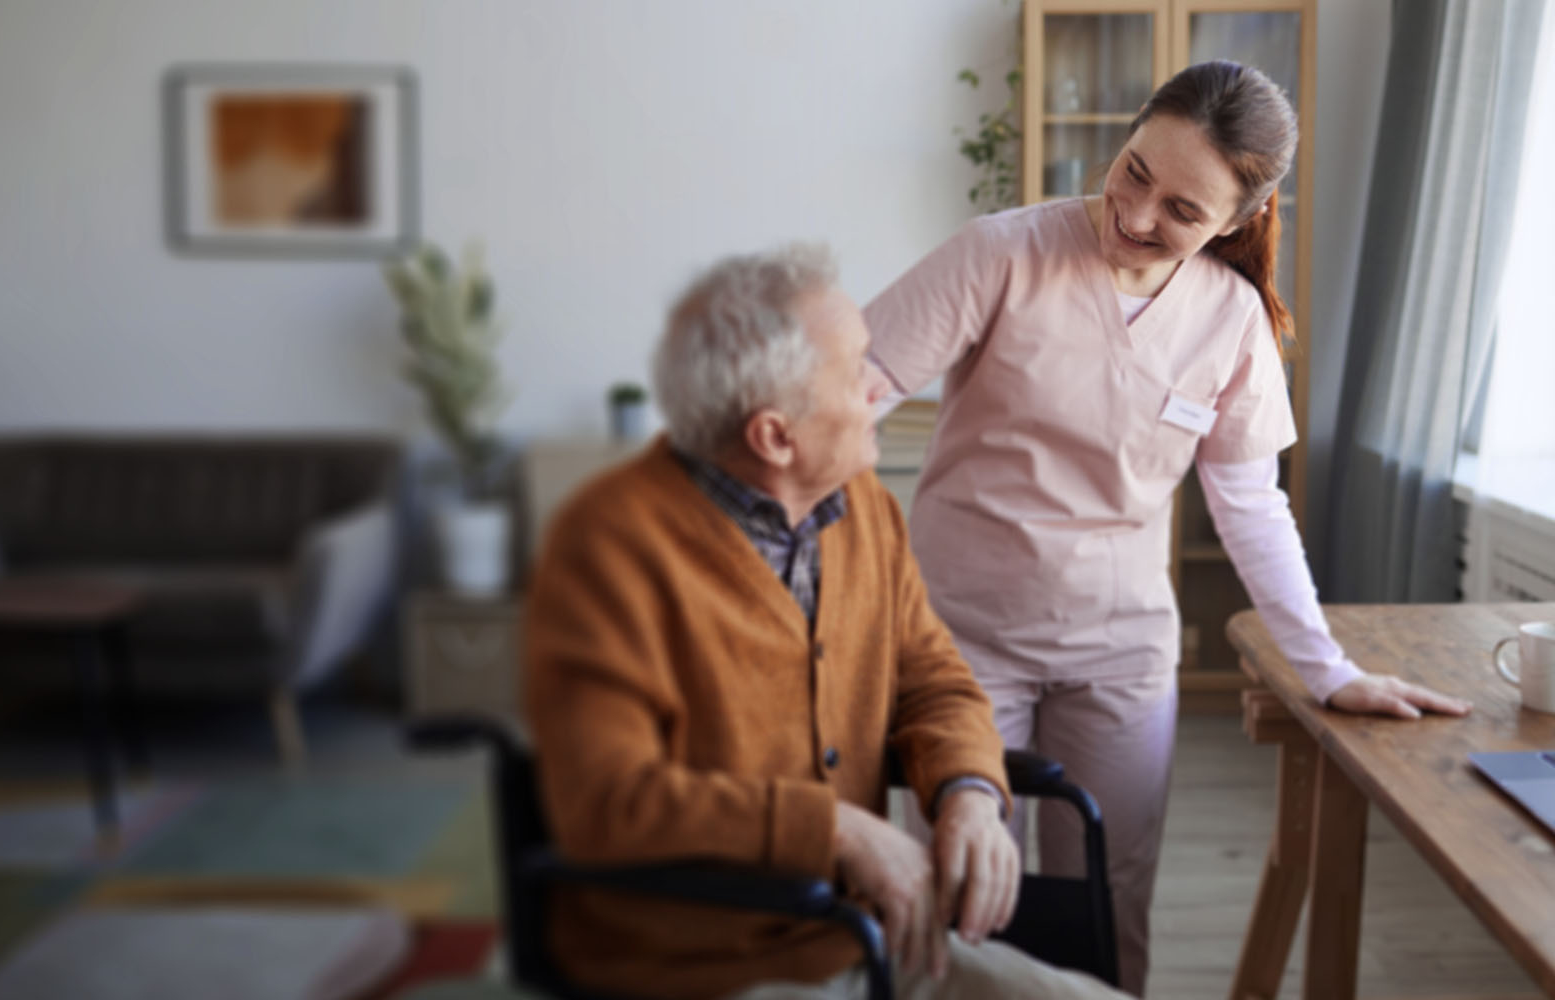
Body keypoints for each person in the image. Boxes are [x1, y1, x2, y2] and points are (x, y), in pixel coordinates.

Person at [861, 61, 1471, 996]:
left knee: (1106, 903)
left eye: (1183, 210)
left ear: (1237, 221)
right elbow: (845, 397)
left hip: (1119, 654)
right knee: (959, 896)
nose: (1138, 215)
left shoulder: (1230, 322)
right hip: (960, 643)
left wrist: (1328, 670)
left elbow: (1251, 507)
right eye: (1136, 170)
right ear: (1131, 131)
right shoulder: (1003, 254)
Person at [524, 244, 1131, 1000]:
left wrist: (971, 790)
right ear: (775, 436)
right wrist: (836, 830)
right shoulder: (608, 545)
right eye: (857, 372)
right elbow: (607, 804)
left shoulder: (863, 506)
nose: (886, 387)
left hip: (871, 941)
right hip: (696, 969)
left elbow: (934, 681)